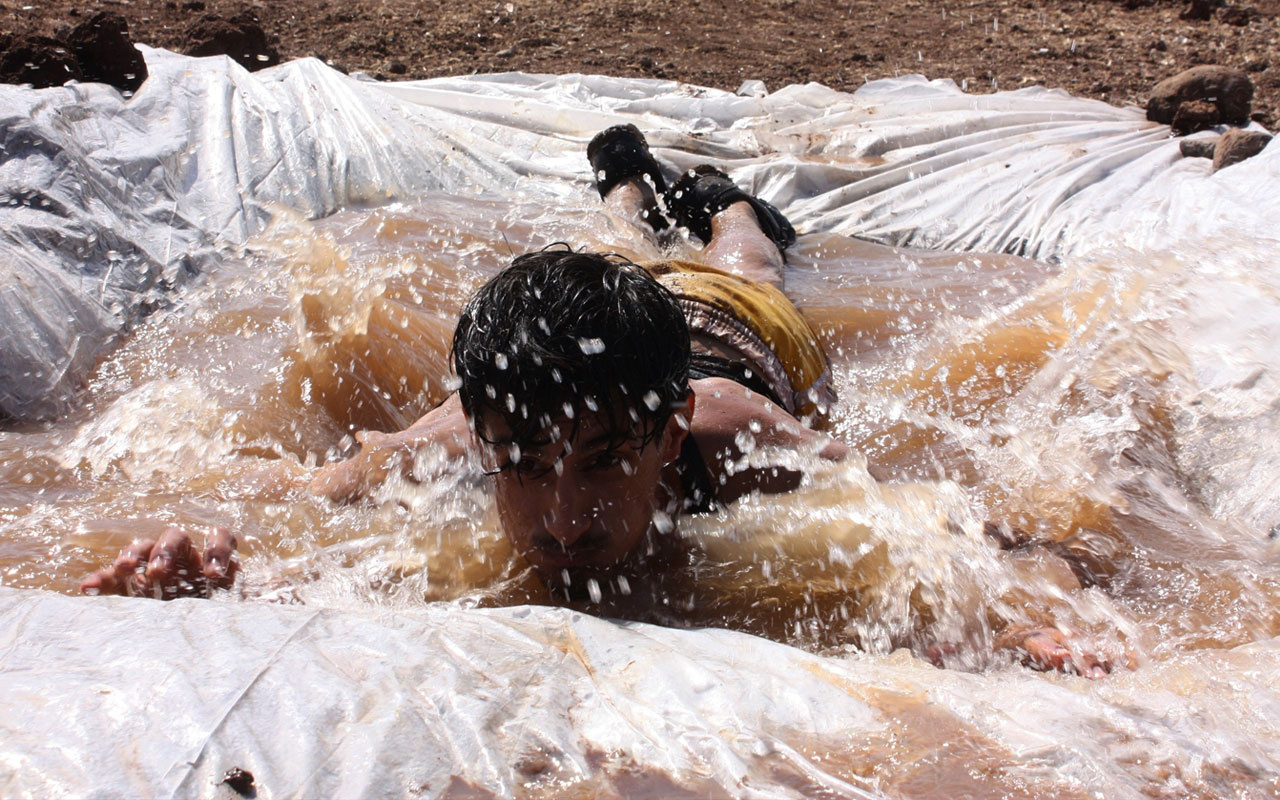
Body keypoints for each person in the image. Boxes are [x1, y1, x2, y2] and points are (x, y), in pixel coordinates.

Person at [81, 126, 1111, 676]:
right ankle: (622, 184)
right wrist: (206, 550)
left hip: (731, 330)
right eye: (522, 469)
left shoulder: (742, 439)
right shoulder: (469, 430)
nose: (563, 517)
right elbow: (315, 483)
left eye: (606, 461)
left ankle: (724, 197)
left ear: (664, 440)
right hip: (620, 346)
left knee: (746, 255)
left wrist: (1030, 609)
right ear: (486, 438)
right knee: (623, 257)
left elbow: (946, 528)